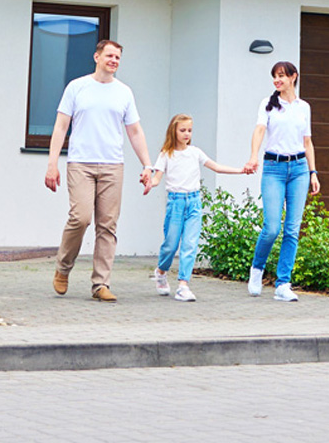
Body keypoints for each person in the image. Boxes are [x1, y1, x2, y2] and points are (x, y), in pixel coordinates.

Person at [45, 39, 153, 302]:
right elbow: (61, 126)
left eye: (118, 57)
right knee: (80, 218)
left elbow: (135, 131)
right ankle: (63, 268)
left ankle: (100, 284)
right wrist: (52, 163)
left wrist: (147, 165)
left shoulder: (124, 92)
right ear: (96, 57)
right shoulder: (77, 87)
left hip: (112, 166)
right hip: (80, 163)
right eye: (109, 55)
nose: (114, 60)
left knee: (107, 225)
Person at [145, 114, 244, 302]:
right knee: (171, 244)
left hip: (194, 202)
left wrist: (240, 170)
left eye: (189, 130)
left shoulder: (195, 152)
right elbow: (157, 177)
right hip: (176, 203)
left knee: (190, 245)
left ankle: (183, 285)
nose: (186, 134)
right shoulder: (166, 154)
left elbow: (216, 167)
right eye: (182, 130)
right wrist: (151, 183)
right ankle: (160, 271)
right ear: (173, 131)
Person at [243, 60, 319, 302]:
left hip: (298, 169)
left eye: (282, 76)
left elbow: (307, 142)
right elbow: (259, 131)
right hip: (273, 168)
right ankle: (256, 270)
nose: (277, 80)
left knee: (292, 230)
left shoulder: (303, 107)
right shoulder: (267, 105)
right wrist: (254, 156)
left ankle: (283, 284)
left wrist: (313, 172)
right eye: (275, 76)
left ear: (293, 77)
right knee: (272, 227)